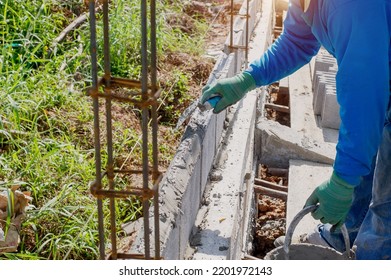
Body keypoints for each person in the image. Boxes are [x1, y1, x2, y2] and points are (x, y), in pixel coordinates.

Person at [201, 0, 391, 260]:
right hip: (381, 78)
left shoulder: (352, 6)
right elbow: (297, 43)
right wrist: (247, 79)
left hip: (377, 81)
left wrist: (342, 181)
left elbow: (364, 94)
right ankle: (340, 236)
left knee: (387, 205)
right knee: (363, 161)